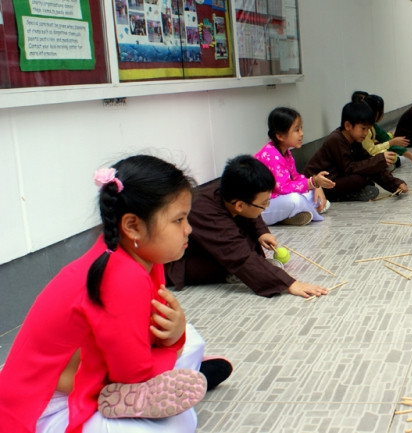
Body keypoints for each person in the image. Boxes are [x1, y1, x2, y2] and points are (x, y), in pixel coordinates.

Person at [0, 155, 215, 433]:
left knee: (192, 338)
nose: (188, 229)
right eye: (178, 220)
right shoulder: (122, 276)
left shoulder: (132, 256)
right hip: (46, 407)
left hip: (92, 376)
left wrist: (176, 336)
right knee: (179, 424)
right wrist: (174, 344)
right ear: (133, 226)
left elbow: (143, 333)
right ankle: (174, 382)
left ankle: (174, 380)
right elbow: (132, 374)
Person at [165, 155, 328, 298]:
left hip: (208, 242)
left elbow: (251, 214)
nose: (266, 207)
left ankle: (257, 270)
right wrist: (289, 283)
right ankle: (246, 273)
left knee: (250, 242)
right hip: (179, 260)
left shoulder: (228, 188)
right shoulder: (206, 211)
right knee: (235, 258)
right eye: (264, 204)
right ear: (239, 205)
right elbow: (237, 254)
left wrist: (261, 232)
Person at [304, 101, 408, 201]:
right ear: (348, 126)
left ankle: (353, 192)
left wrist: (395, 184)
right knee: (359, 179)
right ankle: (344, 196)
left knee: (367, 172)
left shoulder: (354, 141)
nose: (366, 133)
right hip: (318, 185)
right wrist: (379, 159)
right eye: (363, 129)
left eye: (368, 129)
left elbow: (368, 160)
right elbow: (348, 168)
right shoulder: (336, 140)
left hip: (337, 178)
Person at [254, 107, 335, 226]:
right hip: (260, 208)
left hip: (277, 199)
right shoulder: (271, 155)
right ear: (280, 136)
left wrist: (315, 186)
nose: (301, 133)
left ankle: (291, 214)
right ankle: (288, 215)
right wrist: (312, 183)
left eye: (301, 128)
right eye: (296, 130)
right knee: (295, 200)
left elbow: (295, 177)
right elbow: (282, 188)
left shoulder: (285, 152)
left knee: (315, 198)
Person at [359, 93, 412, 167]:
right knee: (386, 155)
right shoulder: (364, 128)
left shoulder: (373, 126)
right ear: (377, 113)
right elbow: (370, 151)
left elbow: (385, 138)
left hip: (369, 154)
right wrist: (391, 143)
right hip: (363, 159)